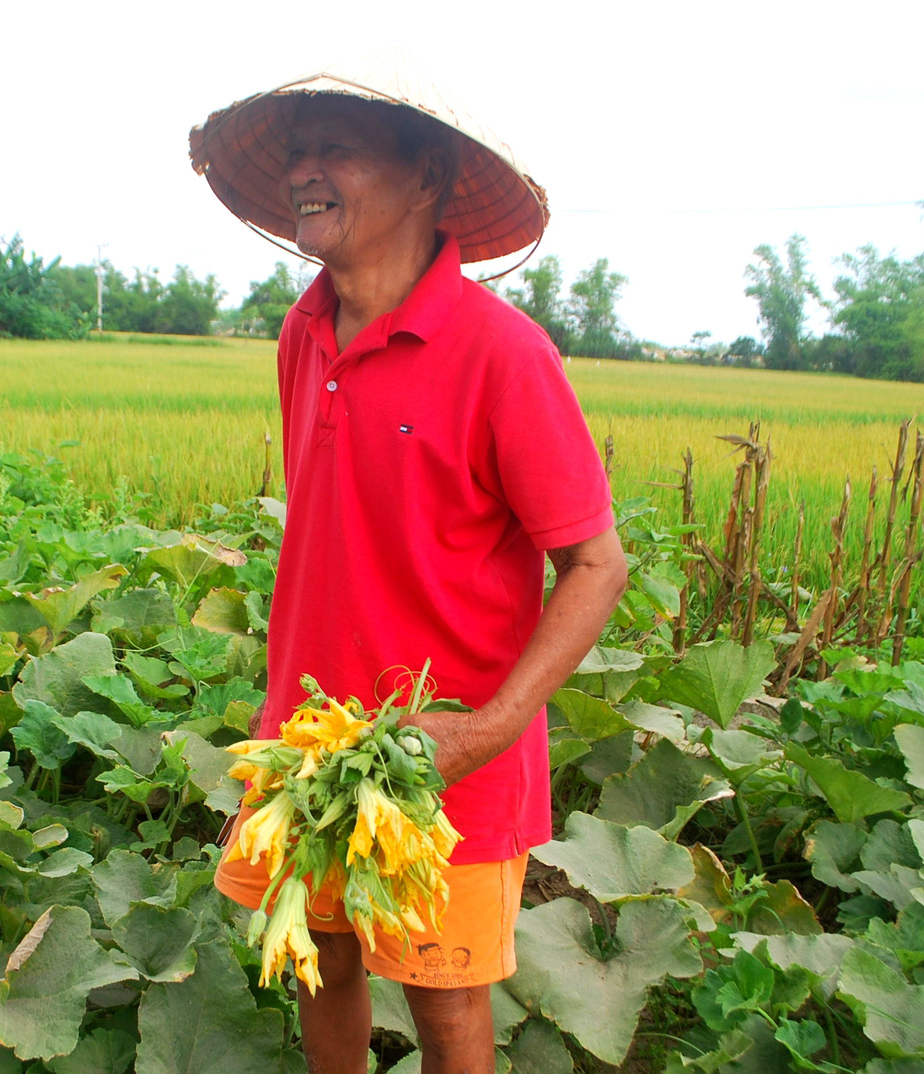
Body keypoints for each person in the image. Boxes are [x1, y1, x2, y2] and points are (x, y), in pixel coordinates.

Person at [190, 56, 629, 1074]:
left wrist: (484, 730)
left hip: (445, 756)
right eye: (298, 151)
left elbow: (597, 564)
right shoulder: (301, 333)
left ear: (426, 179)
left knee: (445, 1007)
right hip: (308, 737)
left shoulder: (502, 353)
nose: (305, 171)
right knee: (318, 962)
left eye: (334, 148)